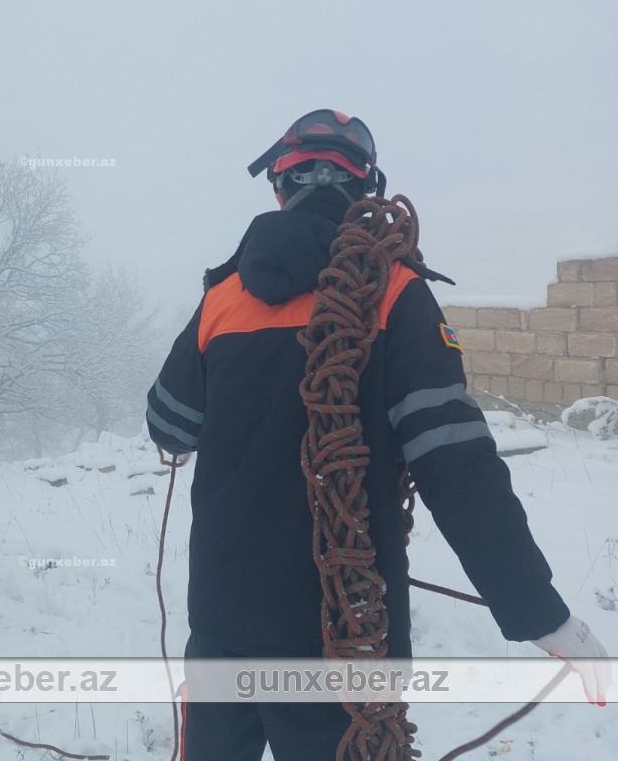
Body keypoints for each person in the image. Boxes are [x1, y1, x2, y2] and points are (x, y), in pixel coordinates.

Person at [147, 108, 610, 759]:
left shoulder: (224, 298)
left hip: (221, 624)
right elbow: (457, 466)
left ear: (279, 187)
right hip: (340, 635)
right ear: (364, 188)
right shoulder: (393, 293)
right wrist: (540, 613)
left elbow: (169, 425)